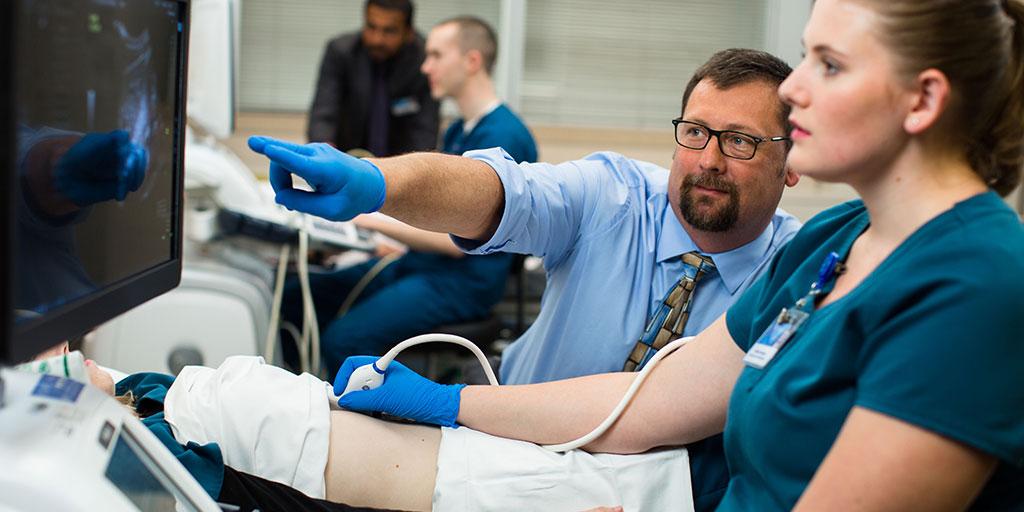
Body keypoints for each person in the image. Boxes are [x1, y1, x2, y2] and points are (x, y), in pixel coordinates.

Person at [251, 0, 1024, 510]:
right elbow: (647, 403)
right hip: (555, 464)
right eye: (695, 132)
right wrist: (452, 404)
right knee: (248, 441)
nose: (797, 93)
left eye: (829, 65)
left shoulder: (974, 284)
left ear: (922, 101)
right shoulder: (834, 243)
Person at [260, 47, 801, 509]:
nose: (708, 159)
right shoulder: (613, 196)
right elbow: (500, 193)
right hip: (497, 445)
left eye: (740, 142)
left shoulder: (801, 277)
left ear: (793, 163)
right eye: (696, 132)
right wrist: (382, 182)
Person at [282, 16, 538, 376]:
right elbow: (440, 214)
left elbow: (457, 239)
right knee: (297, 296)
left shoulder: (502, 137)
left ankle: (366, 428)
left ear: (472, 61)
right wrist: (396, 240)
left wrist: (366, 214)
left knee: (344, 340)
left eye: (435, 55)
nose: (425, 66)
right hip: (422, 264)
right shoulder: (460, 132)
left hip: (460, 283)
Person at [307, 0, 438, 156]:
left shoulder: (424, 60)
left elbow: (425, 130)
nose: (377, 39)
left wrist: (414, 171)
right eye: (371, 27)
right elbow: (324, 112)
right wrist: (325, 151)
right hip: (346, 160)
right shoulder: (341, 52)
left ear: (409, 33)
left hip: (402, 166)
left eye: (389, 31)